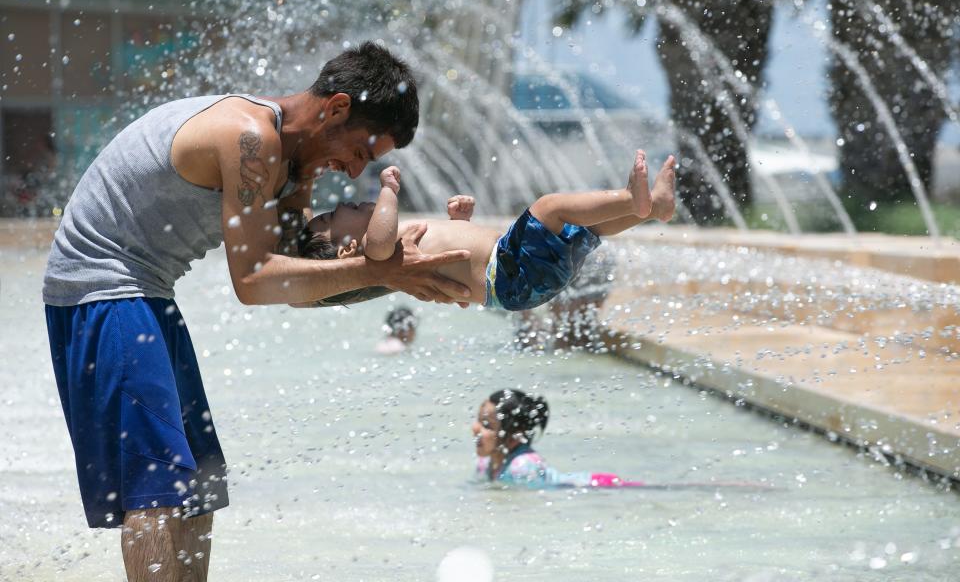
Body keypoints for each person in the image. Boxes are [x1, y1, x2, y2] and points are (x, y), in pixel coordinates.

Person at [42, 41, 472, 582]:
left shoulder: (295, 167)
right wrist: (378, 273)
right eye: (362, 151)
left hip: (146, 293)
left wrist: (404, 276)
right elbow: (252, 281)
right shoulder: (250, 138)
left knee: (200, 483)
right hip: (101, 287)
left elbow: (293, 283)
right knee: (157, 488)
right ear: (336, 108)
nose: (355, 169)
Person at [297, 149, 676, 311]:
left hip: (515, 282)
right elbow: (378, 241)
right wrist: (388, 191)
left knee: (586, 228)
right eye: (331, 218)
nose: (341, 207)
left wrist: (459, 222)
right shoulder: (379, 254)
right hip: (509, 274)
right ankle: (631, 199)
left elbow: (460, 256)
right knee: (549, 208)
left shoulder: (402, 255)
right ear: (347, 251)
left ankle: (652, 208)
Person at [471, 389, 644, 488]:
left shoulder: (522, 468)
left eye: (487, 425)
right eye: (479, 420)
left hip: (599, 487)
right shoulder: (486, 463)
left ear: (517, 434)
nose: (475, 428)